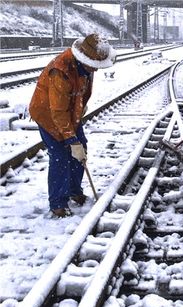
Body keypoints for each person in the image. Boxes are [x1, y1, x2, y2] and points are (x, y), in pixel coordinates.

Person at [29, 33, 116, 217]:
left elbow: (82, 93)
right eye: (94, 66)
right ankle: (58, 203)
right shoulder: (61, 70)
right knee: (60, 156)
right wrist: (70, 139)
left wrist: (80, 111)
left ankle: (74, 191)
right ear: (84, 59)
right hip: (48, 115)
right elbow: (58, 112)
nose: (97, 70)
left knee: (80, 151)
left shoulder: (86, 67)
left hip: (70, 112)